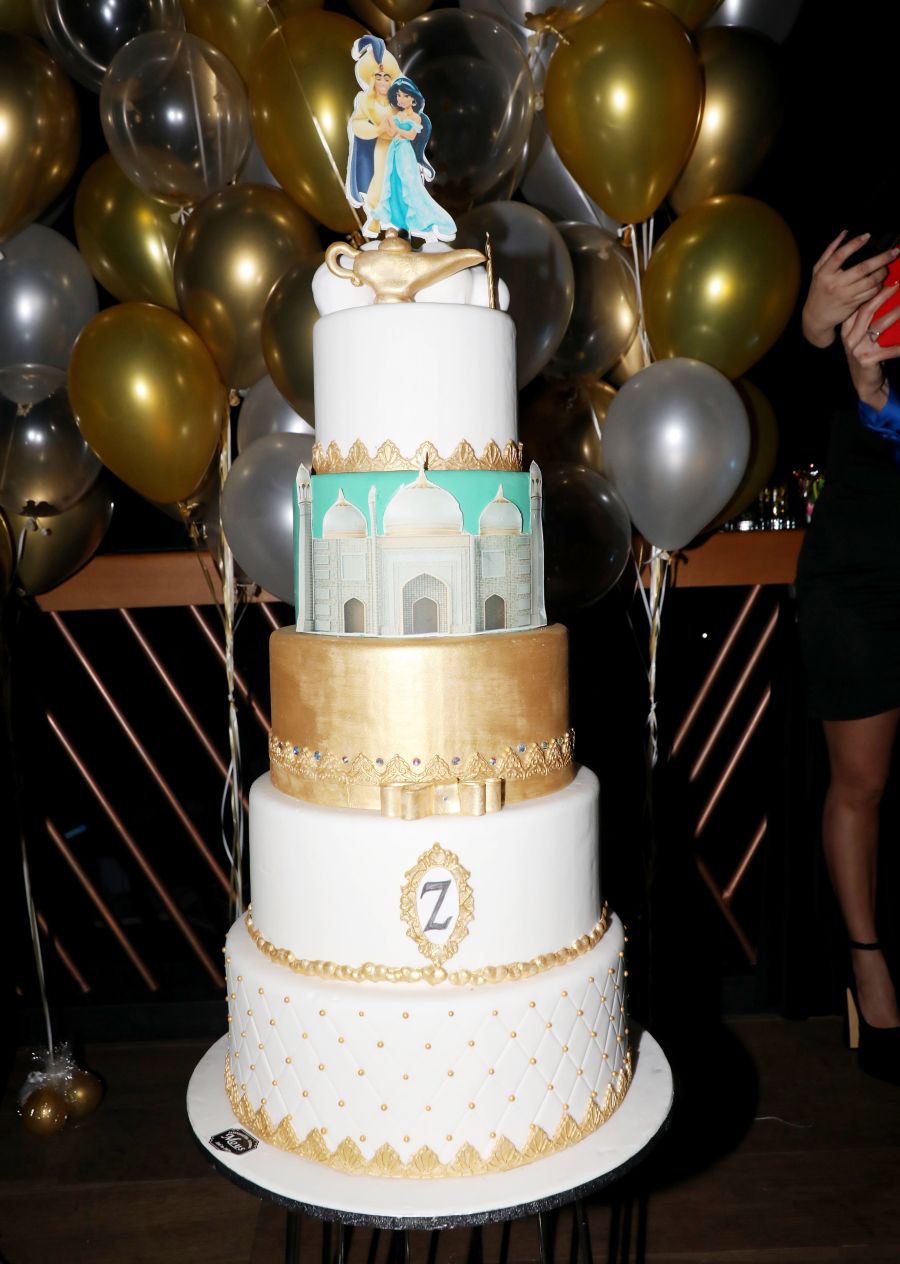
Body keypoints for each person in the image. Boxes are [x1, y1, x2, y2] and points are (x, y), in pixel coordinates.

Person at [796, 229, 900, 1083]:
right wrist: (815, 328)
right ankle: (868, 970)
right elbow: (781, 416)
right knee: (860, 783)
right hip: (863, 567)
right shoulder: (863, 245)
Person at [371, 77, 456, 243]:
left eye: (405, 96)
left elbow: (411, 135)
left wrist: (396, 128)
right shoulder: (397, 115)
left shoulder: (416, 118)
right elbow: (390, 133)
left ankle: (421, 220)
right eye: (398, 95)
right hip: (393, 151)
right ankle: (399, 220)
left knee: (410, 184)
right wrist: (386, 123)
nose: (401, 99)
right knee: (393, 183)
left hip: (405, 151)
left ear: (413, 99)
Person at [345, 35, 401, 237]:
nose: (383, 82)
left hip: (401, 146)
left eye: (387, 77)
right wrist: (377, 130)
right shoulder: (365, 100)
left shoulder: (399, 98)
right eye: (379, 77)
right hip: (382, 146)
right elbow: (357, 124)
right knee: (379, 180)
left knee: (402, 183)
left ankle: (401, 220)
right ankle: (376, 218)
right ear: (371, 78)